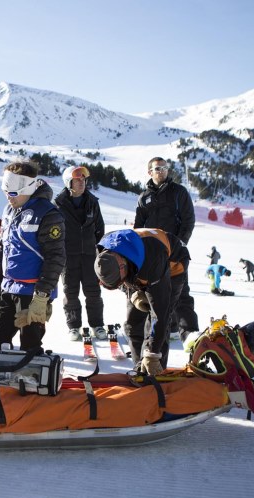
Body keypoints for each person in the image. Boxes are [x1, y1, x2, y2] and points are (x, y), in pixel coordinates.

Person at [0, 160, 65, 351]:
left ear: (28, 188)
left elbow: (56, 258)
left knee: (30, 344)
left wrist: (42, 296)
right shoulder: (10, 210)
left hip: (32, 292)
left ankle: (28, 377)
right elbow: (3, 247)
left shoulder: (48, 213)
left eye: (13, 193)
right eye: (6, 192)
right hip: (9, 287)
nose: (9, 198)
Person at [94, 228, 190, 375]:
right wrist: (132, 293)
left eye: (121, 282)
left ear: (122, 266)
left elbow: (160, 314)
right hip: (139, 264)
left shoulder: (154, 260)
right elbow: (120, 280)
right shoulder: (103, 255)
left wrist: (152, 354)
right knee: (132, 324)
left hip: (172, 266)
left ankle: (155, 370)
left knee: (155, 321)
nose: (121, 284)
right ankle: (140, 369)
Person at [134, 156, 198, 342]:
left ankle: (190, 332)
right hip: (152, 255)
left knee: (181, 292)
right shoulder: (144, 197)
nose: (161, 171)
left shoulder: (179, 192)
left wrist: (180, 244)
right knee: (153, 293)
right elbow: (138, 227)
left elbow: (188, 220)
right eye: (157, 168)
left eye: (164, 168)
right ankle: (161, 330)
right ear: (150, 172)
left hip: (175, 251)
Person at [54, 165, 106, 341]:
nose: (81, 183)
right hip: (68, 256)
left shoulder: (93, 202)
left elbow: (99, 229)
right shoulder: (58, 204)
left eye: (83, 180)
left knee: (93, 292)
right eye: (77, 180)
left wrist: (97, 250)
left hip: (90, 256)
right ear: (69, 182)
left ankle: (97, 325)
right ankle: (74, 327)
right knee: (70, 293)